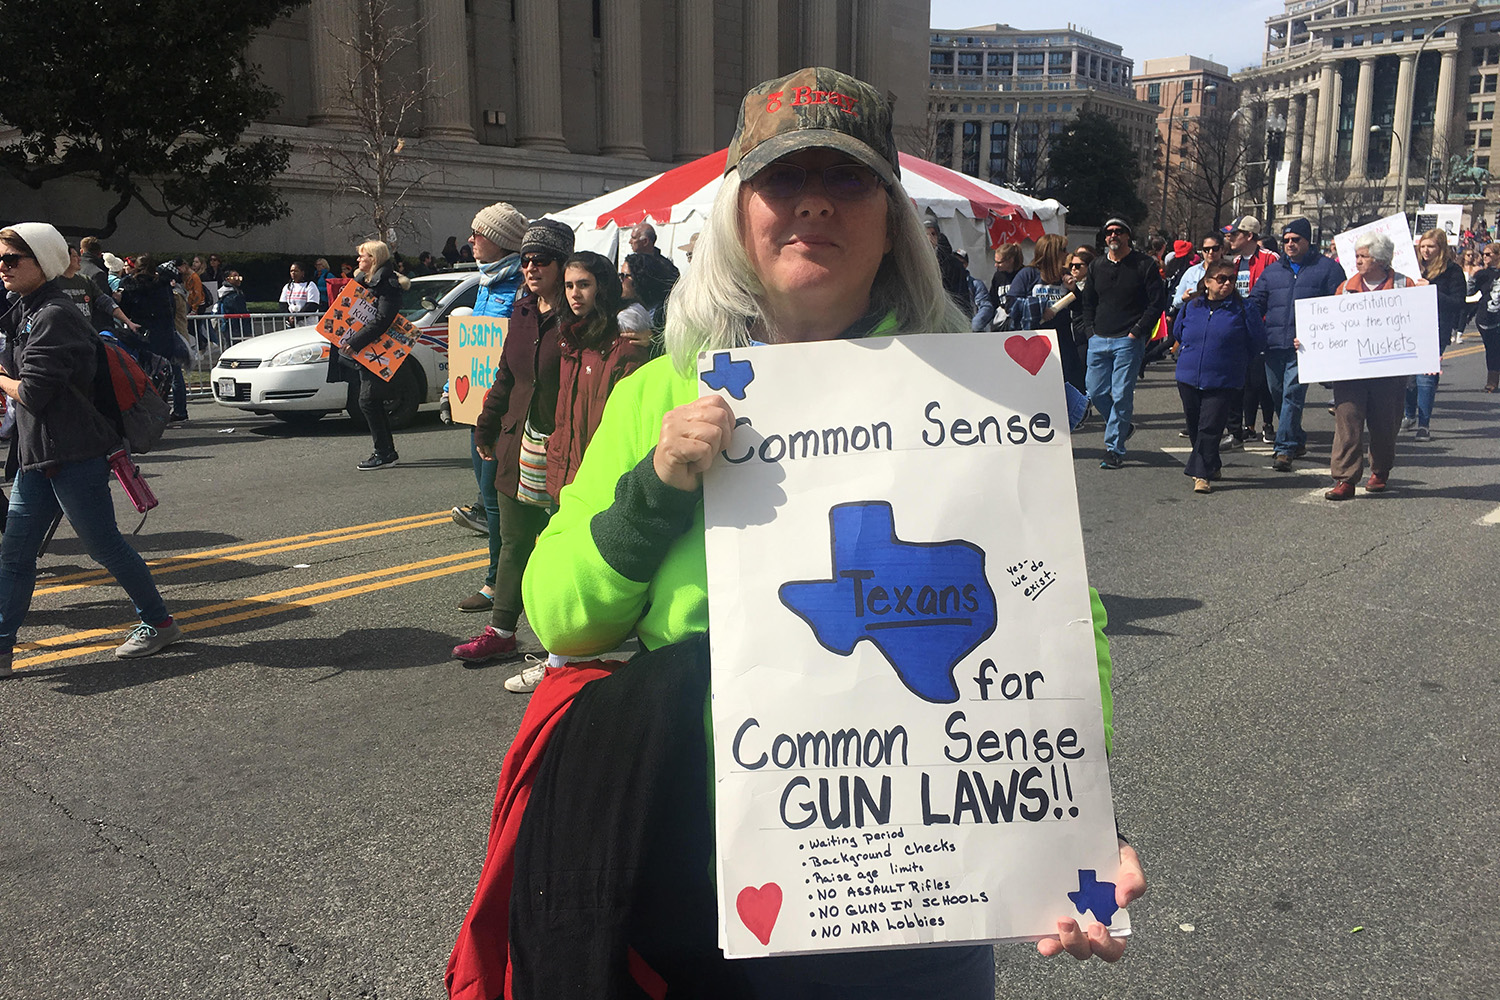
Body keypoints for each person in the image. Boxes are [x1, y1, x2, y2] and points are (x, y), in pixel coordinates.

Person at [447, 66, 1145, 1000]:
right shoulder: (660, 389)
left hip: (921, 901)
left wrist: (1076, 834)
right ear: (738, 213)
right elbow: (562, 618)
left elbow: (1057, 626)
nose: (813, 203)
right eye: (782, 180)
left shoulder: (973, 398)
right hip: (701, 890)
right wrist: (655, 487)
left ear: (893, 219)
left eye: (849, 180)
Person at [0, 223, 182, 677]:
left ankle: (158, 622)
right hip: (39, 454)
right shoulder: (25, 309)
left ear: (40, 263)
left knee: (104, 547)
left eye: (10, 260)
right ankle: (2, 647)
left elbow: (35, 393)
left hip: (74, 452)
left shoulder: (54, 314)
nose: (1, 268)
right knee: (16, 553)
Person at [450, 219, 573, 668]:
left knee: (565, 539)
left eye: (541, 260)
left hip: (566, 446)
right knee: (514, 539)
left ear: (563, 265)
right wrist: (485, 425)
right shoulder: (521, 312)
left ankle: (567, 636)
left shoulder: (581, 318)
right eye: (525, 260)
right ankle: (501, 631)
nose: (530, 268)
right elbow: (505, 375)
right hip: (515, 439)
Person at [451, 202, 529, 612]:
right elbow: (472, 349)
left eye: (478, 234)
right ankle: (501, 578)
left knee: (502, 503)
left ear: (499, 241)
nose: (471, 240)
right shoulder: (484, 284)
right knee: (489, 497)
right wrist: (452, 389)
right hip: (476, 410)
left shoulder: (521, 285)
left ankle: (498, 582)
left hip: (507, 412)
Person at [1325, 232, 1419, 500]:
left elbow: (1418, 326)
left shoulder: (1405, 285)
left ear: (1380, 259)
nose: (1357, 261)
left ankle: (1380, 470)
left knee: (1385, 422)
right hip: (1351, 369)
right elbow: (1329, 326)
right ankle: (1345, 478)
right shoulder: (1345, 288)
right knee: (1347, 421)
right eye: (1357, 256)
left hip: (1389, 370)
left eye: (1363, 256)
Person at [1249, 217, 1344, 472]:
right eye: (1286, 240)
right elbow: (1256, 303)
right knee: (1277, 393)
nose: (1290, 244)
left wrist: (1320, 337)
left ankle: (1284, 448)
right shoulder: (1273, 271)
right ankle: (1297, 438)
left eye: (1295, 240)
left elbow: (1338, 307)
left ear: (1307, 241)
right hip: (1273, 344)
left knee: (1292, 394)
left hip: (1304, 347)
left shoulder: (1327, 269)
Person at [1173, 260, 1268, 493]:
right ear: (1207, 282)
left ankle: (1200, 473)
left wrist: (1238, 361)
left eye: (1231, 279)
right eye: (1221, 279)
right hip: (1188, 376)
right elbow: (1178, 332)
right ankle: (1212, 463)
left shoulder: (1244, 308)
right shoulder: (1191, 306)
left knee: (1210, 426)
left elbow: (1257, 341)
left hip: (1224, 378)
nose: (1227, 283)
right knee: (1194, 426)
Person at [1080, 217, 1165, 468]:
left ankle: (1114, 448)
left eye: (1118, 232)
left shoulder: (1144, 265)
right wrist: (1090, 331)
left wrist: (1137, 331)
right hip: (1099, 338)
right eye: (1109, 232)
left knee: (1121, 394)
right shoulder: (1096, 266)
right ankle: (1123, 426)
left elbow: (1156, 303)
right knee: (1095, 392)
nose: (1113, 236)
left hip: (1128, 340)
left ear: (1127, 235)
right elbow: (1088, 302)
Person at [337, 241, 410, 471]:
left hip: (377, 349)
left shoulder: (388, 284)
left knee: (368, 401)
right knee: (371, 401)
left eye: (363, 256)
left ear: (375, 258)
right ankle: (386, 451)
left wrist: (354, 342)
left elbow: (382, 320)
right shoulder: (364, 280)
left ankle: (384, 452)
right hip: (366, 350)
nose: (358, 260)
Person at [1402, 228, 1466, 441]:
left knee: (1426, 378)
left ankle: (1424, 424)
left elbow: (1458, 303)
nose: (1426, 251)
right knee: (1408, 378)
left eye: (1431, 246)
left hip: (1435, 329)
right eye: (1423, 246)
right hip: (1408, 327)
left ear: (1441, 248)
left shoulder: (1452, 271)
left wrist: (1432, 289)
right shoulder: (1412, 269)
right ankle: (1409, 414)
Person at [1223, 216, 1279, 447]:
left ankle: (1268, 423)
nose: (1230, 238)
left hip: (1263, 327)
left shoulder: (1270, 259)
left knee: (1263, 381)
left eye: (1234, 234)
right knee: (1243, 380)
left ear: (1248, 236)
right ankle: (1246, 427)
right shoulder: (1234, 263)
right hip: (1239, 328)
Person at [1006, 233, 1086, 391]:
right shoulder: (1028, 274)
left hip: (1062, 340)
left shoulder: (1064, 275)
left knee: (1067, 383)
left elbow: (1080, 308)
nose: (1067, 254)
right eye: (1063, 249)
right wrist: (1040, 309)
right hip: (1035, 339)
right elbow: (1011, 303)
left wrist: (1074, 290)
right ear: (1052, 252)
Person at [118, 254, 189, 422]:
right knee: (173, 372)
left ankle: (153, 411)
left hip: (143, 335)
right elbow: (170, 306)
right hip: (164, 333)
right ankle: (179, 410)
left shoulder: (131, 286)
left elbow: (126, 309)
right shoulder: (163, 285)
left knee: (146, 375)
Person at [620, 251, 680, 346]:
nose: (620, 281)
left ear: (640, 278)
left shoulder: (666, 309)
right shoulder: (625, 307)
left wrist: (654, 339)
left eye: (625, 276)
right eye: (620, 275)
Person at [1468, 242, 1500, 392]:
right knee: (1492, 348)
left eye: (1488, 254)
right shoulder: (1482, 274)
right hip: (1486, 316)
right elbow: (1469, 293)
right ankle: (1492, 381)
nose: (1485, 257)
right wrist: (1472, 277)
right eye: (1484, 255)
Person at [1172, 234, 1224, 307]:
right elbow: (1176, 302)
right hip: (1195, 314)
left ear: (1221, 249)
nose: (1211, 252)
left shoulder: (1229, 271)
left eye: (1215, 248)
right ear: (1202, 251)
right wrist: (1183, 298)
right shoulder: (1191, 272)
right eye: (1206, 249)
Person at [953, 248, 994, 331]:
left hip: (970, 331)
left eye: (961, 263)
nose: (957, 265)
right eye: (954, 261)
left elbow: (986, 307)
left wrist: (973, 327)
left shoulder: (976, 284)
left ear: (966, 264)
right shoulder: (944, 282)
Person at [989, 243, 1023, 328]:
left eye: (999, 262)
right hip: (1001, 321)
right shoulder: (998, 276)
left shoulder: (1023, 274)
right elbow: (993, 299)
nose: (996, 265)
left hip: (1018, 320)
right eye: (995, 262)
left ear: (1010, 260)